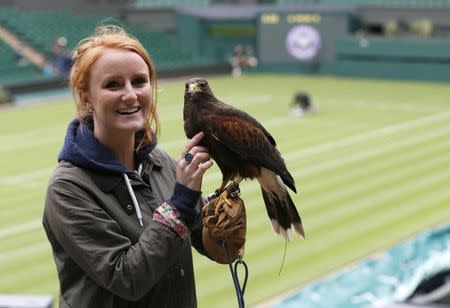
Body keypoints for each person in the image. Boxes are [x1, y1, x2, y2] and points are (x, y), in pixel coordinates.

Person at [42, 25, 246, 308]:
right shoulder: (67, 188)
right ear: (86, 98)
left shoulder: (159, 162)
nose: (130, 95)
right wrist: (182, 200)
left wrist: (219, 222)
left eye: (139, 81)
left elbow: (209, 242)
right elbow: (127, 278)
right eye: (113, 84)